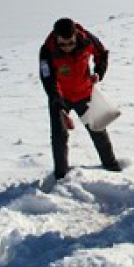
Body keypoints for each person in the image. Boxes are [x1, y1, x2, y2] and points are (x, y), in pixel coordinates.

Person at [39, 18, 121, 180]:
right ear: (56, 37)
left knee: (98, 130)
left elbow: (102, 54)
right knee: (59, 136)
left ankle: (111, 166)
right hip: (60, 97)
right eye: (62, 44)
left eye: (70, 43)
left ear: (76, 36)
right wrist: (57, 101)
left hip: (85, 94)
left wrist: (99, 72)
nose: (67, 48)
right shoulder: (47, 50)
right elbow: (47, 77)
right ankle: (61, 176)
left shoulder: (88, 40)